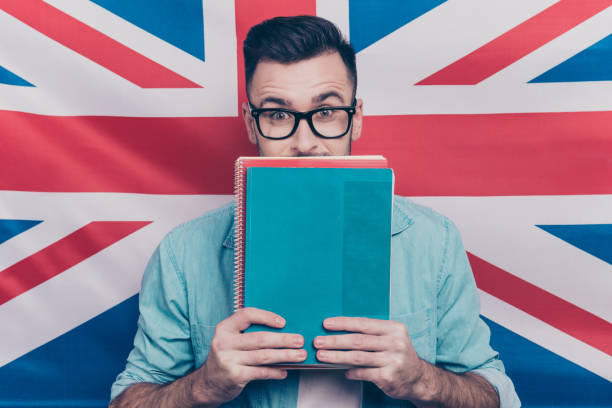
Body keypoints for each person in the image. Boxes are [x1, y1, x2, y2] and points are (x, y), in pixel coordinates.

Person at [109, 16, 520, 408]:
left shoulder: (434, 241)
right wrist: (203, 386)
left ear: (355, 119)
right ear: (251, 124)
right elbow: (126, 399)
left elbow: (498, 395)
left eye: (326, 112)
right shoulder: (184, 253)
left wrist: (421, 380)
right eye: (277, 114)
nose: (304, 143)